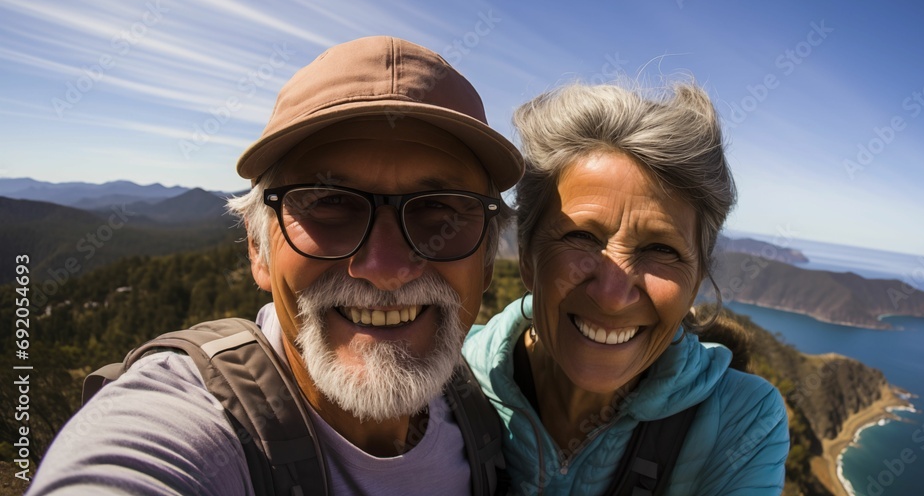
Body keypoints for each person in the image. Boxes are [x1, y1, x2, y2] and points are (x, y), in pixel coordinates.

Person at [28, 36, 524, 494]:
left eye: (441, 206)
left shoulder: (486, 410)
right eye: (330, 201)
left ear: (485, 261)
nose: (385, 267)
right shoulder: (189, 425)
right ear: (257, 249)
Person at [463, 81, 789, 495]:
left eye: (661, 249)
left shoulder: (743, 421)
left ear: (695, 285)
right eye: (581, 237)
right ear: (527, 256)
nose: (613, 295)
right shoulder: (448, 382)